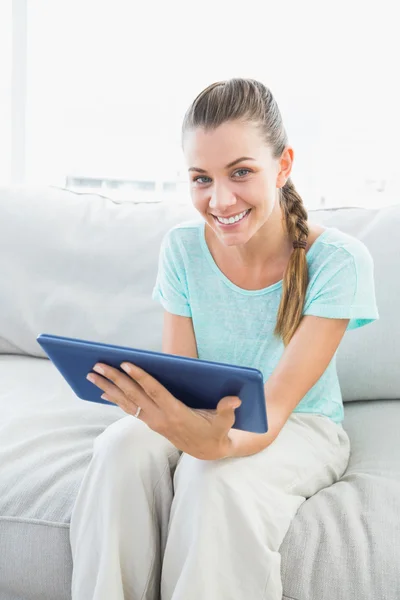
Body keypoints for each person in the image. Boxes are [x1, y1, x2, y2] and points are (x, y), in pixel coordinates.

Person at [69, 78, 379, 600]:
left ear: (282, 166)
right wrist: (162, 412)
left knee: (214, 480)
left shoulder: (339, 262)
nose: (220, 199)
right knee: (119, 447)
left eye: (241, 172)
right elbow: (179, 378)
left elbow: (276, 410)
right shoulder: (182, 249)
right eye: (201, 179)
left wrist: (213, 445)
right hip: (205, 412)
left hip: (299, 424)